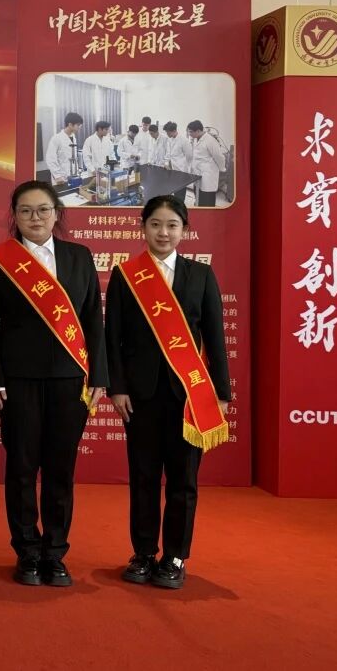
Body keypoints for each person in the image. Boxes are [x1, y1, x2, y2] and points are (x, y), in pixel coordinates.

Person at [0, 181, 107, 587]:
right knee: (21, 467)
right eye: (25, 211)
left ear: (57, 214)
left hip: (70, 380)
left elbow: (92, 318)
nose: (35, 218)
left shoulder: (78, 256)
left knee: (60, 469)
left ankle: (55, 553)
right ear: (14, 217)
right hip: (17, 380)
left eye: (43, 210)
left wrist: (99, 375)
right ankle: (27, 552)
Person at [106, 196, 231, 590]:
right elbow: (113, 337)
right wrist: (117, 388)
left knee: (183, 479)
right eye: (156, 224)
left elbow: (215, 337)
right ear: (143, 227)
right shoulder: (126, 276)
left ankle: (175, 556)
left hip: (189, 396)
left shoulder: (201, 275)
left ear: (184, 231)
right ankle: (143, 553)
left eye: (172, 225)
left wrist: (221, 393)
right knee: (143, 476)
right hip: (140, 396)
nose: (163, 233)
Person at [187, 121, 226, 207]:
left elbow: (219, 157)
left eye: (191, 132)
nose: (189, 134)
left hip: (208, 175)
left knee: (207, 200)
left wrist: (222, 169)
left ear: (198, 131)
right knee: (198, 196)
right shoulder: (196, 139)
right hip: (197, 174)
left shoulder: (210, 141)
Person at [45, 112, 83, 184]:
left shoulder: (73, 138)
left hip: (73, 175)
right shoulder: (56, 138)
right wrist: (57, 176)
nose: (79, 127)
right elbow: (50, 158)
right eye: (78, 125)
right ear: (70, 124)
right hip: (60, 178)